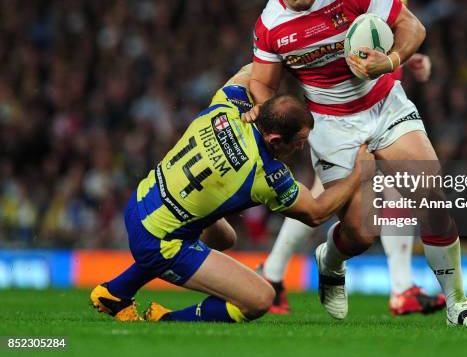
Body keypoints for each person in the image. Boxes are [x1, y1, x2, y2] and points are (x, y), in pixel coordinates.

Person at [246, 0, 467, 326]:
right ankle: (331, 260)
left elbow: (412, 25)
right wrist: (266, 114)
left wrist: (390, 60)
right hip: (333, 125)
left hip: (384, 106)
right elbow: (263, 85)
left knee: (432, 198)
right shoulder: (271, 26)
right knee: (360, 233)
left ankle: (458, 305)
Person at [260, 0, 445, 317]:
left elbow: (385, 30)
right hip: (341, 110)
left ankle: (400, 287)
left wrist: (408, 57)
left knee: (392, 191)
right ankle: (274, 272)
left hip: (384, 96)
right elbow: (322, 41)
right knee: (335, 201)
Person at [90, 64, 374, 323]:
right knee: (259, 299)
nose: (301, 148)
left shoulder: (228, 105)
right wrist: (359, 173)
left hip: (142, 201)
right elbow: (316, 212)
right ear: (275, 139)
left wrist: (289, 60)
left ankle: (115, 293)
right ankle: (167, 321)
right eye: (299, 142)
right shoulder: (265, 174)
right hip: (160, 241)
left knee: (223, 237)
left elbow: (253, 71)